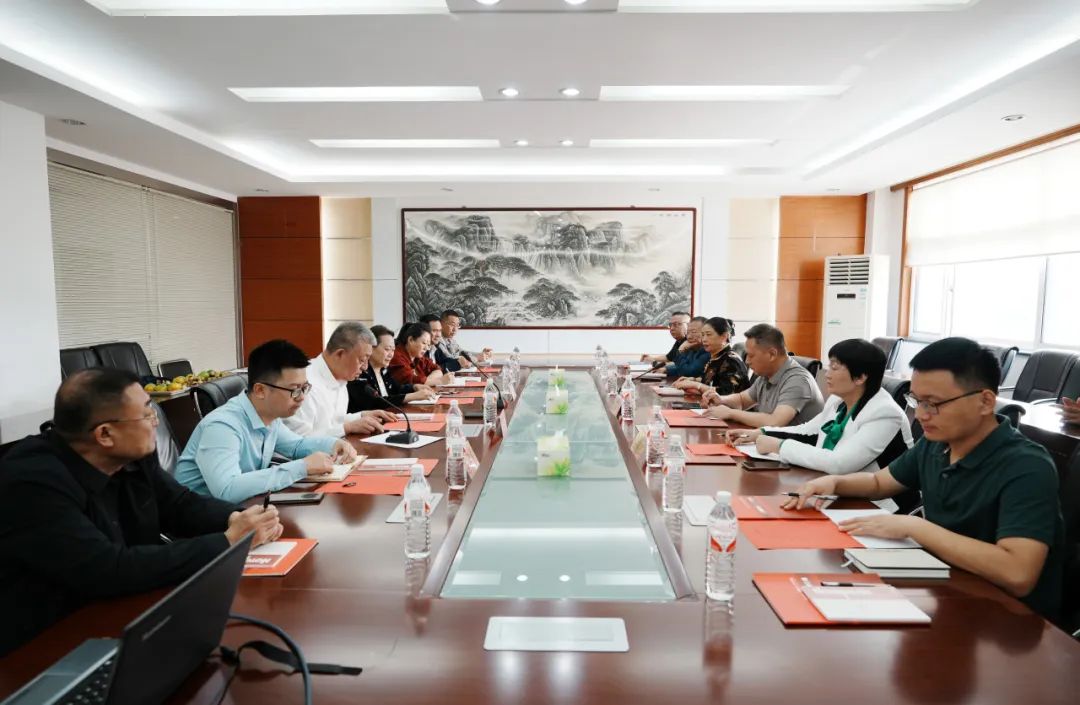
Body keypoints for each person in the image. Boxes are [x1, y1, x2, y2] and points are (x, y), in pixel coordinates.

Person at [0, 368, 283, 655]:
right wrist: (226, 542)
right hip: (46, 643)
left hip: (131, 613)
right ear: (105, 434)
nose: (156, 422)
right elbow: (107, 570)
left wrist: (235, 518)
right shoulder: (32, 482)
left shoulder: (132, 454)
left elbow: (179, 504)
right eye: (147, 414)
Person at [785, 337, 1065, 621]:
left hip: (1006, 619)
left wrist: (915, 527)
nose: (920, 415)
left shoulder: (1026, 466)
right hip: (945, 589)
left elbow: (1018, 573)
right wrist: (835, 483)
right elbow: (880, 483)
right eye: (917, 401)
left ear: (985, 401)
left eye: (933, 404)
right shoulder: (936, 443)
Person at [175, 339, 358, 503]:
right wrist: (301, 467)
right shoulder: (222, 426)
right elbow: (227, 490)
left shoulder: (269, 416)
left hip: (240, 511)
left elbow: (295, 446)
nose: (302, 397)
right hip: (197, 521)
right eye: (294, 390)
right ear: (260, 390)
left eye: (305, 388)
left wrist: (333, 444)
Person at [731, 338, 912, 474]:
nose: (827, 374)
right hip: (834, 486)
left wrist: (780, 446)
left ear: (860, 377)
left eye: (835, 368)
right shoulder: (838, 400)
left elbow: (839, 463)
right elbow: (808, 431)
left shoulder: (885, 413)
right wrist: (761, 433)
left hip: (877, 503)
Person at [283, 322, 396, 438]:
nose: (365, 367)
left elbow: (331, 422)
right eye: (362, 360)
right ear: (340, 354)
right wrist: (347, 428)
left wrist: (361, 416)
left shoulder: (340, 377)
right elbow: (298, 440)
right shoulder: (304, 383)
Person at [700, 323, 823, 428]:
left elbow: (775, 422)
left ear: (772, 354)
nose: (747, 361)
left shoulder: (798, 380)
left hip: (791, 447)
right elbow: (742, 400)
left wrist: (731, 413)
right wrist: (721, 400)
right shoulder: (766, 375)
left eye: (751, 356)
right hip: (767, 441)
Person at [348, 325, 437, 412]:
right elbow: (374, 402)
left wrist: (414, 387)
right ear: (371, 348)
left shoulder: (383, 370)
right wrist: (412, 396)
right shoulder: (359, 372)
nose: (391, 355)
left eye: (393, 350)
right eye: (387, 349)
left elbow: (396, 389)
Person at [673, 317, 750, 396]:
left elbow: (727, 393)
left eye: (708, 334)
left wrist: (696, 385)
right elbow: (711, 380)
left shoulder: (731, 361)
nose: (704, 339)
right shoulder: (716, 356)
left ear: (724, 336)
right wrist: (693, 380)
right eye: (703, 335)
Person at [388, 322, 451, 387]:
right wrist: (440, 381)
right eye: (424, 343)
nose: (426, 348)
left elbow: (437, 369)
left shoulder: (417, 357)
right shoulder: (396, 356)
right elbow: (410, 380)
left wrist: (428, 381)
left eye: (428, 345)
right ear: (411, 340)